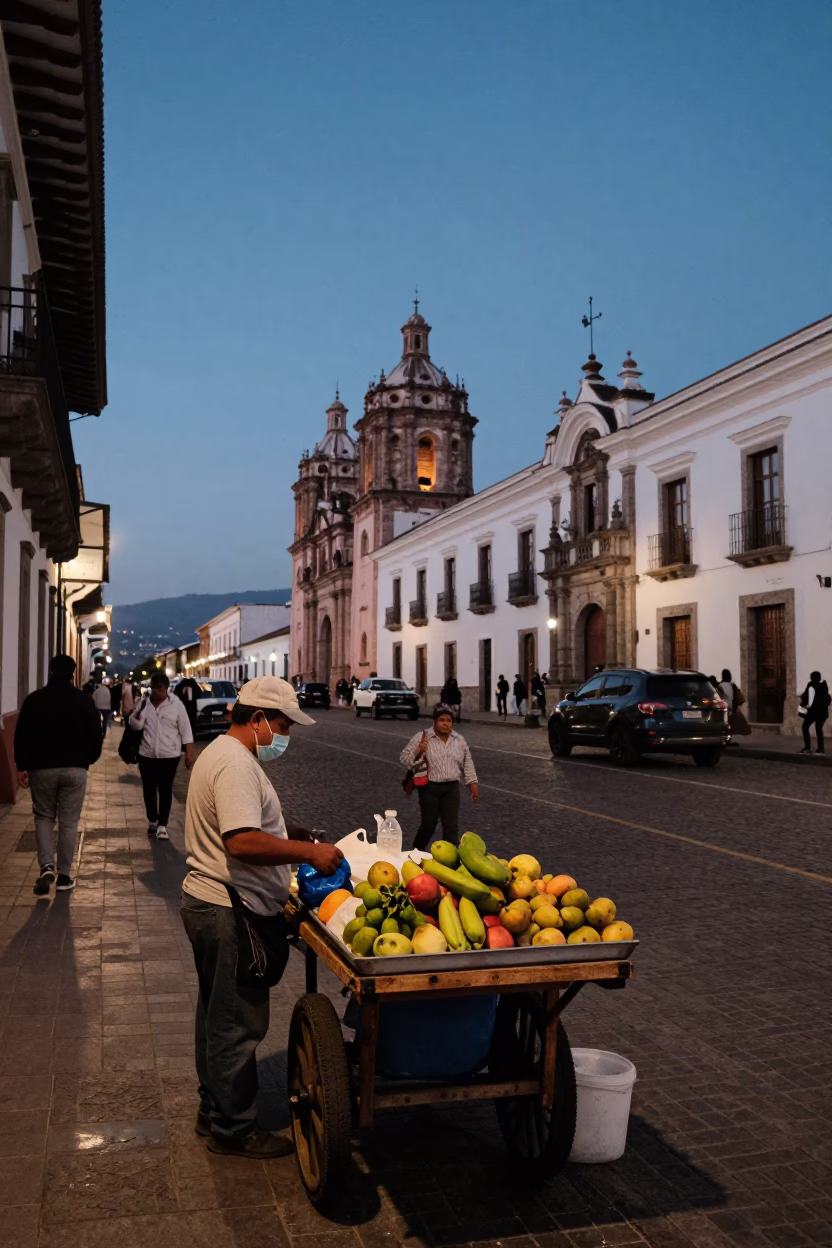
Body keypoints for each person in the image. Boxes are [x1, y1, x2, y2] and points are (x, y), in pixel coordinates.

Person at [180, 675, 343, 1158]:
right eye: (282, 724)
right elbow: (241, 841)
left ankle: (213, 1110)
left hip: (211, 902)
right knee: (234, 1024)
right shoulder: (234, 763)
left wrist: (290, 831)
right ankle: (234, 1129)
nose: (285, 734)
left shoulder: (223, 754)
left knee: (215, 1016)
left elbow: (254, 824)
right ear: (256, 720)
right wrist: (308, 853)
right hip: (228, 908)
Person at [14, 654, 102, 895]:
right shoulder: (83, 700)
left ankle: (46, 867)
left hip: (41, 768)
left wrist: (22, 765)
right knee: (69, 822)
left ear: (50, 671)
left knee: (43, 817)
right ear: (73, 672)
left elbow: (21, 734)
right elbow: (96, 734)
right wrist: (87, 761)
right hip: (75, 769)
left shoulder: (34, 700)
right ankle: (64, 876)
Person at [400, 703, 479, 850]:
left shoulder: (459, 740)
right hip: (430, 787)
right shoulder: (422, 737)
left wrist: (473, 784)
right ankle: (416, 852)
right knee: (428, 825)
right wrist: (418, 750)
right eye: (442, 720)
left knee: (451, 827)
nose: (445, 723)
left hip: (452, 788)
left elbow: (467, 762)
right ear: (434, 722)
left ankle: (448, 860)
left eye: (449, 720)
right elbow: (404, 759)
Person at [130, 672, 195, 839]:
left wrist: (189, 754)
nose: (155, 693)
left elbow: (186, 731)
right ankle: (152, 819)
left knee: (165, 789)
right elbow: (135, 725)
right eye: (153, 689)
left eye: (158, 689)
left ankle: (163, 825)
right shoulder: (144, 703)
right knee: (149, 789)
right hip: (146, 754)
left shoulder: (177, 705)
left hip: (169, 755)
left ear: (166, 689)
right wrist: (142, 710)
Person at [799, 670, 830, 755]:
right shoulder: (824, 685)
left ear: (812, 678)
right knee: (819, 729)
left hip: (814, 711)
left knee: (805, 727)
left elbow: (807, 698)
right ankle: (820, 749)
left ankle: (807, 747)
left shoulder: (811, 685)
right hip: (823, 712)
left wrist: (803, 704)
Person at [719, 668, 750, 742]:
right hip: (731, 709)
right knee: (731, 726)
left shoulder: (720, 686)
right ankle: (728, 740)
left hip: (722, 709)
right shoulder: (733, 686)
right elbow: (739, 698)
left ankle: (725, 740)